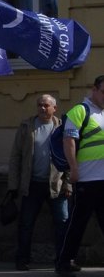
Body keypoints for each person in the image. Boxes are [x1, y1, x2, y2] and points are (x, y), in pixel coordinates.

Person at [6, 94, 69, 271]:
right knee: (26, 223)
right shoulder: (27, 126)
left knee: (63, 223)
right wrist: (13, 185)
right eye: (40, 105)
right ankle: (22, 259)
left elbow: (70, 157)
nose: (42, 108)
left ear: (54, 108)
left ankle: (63, 260)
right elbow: (16, 156)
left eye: (46, 106)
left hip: (56, 184)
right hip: (32, 184)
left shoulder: (62, 127)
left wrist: (68, 184)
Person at [55, 76, 104, 275]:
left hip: (102, 179)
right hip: (87, 180)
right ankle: (63, 262)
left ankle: (65, 261)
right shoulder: (81, 111)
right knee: (77, 224)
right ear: (94, 90)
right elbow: (69, 142)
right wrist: (73, 169)